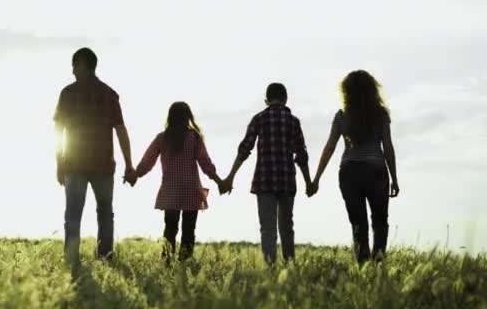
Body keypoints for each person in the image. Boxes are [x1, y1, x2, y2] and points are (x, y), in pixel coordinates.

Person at [53, 47, 135, 279]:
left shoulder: (68, 93)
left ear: (86, 65)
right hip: (101, 165)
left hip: (76, 164)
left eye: (75, 64)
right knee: (105, 214)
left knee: (73, 215)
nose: (72, 69)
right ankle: (105, 258)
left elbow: (59, 131)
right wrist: (128, 165)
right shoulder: (109, 94)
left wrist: (59, 163)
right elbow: (121, 131)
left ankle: (72, 262)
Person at [309, 70, 399, 265]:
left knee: (358, 223)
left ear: (347, 91)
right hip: (376, 171)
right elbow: (388, 147)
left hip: (350, 173)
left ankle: (362, 265)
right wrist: (394, 179)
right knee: (380, 220)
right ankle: (379, 263)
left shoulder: (342, 116)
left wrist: (316, 179)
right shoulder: (380, 115)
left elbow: (329, 147)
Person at [221, 83, 312, 265]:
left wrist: (230, 177)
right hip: (287, 181)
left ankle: (270, 268)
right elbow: (301, 155)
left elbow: (244, 149)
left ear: (266, 100)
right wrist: (309, 182)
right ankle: (289, 267)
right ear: (285, 99)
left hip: (264, 181)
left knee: (267, 228)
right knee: (287, 226)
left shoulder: (258, 119)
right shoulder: (293, 121)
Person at [131, 102, 222, 262]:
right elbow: (205, 163)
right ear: (188, 116)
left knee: (170, 230)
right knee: (188, 231)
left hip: (170, 191)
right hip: (191, 191)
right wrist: (219, 181)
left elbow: (147, 161)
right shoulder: (194, 137)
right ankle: (184, 266)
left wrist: (135, 175)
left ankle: (167, 263)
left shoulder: (163, 138)